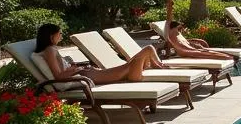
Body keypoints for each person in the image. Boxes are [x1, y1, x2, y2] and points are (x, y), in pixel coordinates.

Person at [34, 23, 164, 85]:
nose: (61, 36)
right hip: (89, 75)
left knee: (145, 52)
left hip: (89, 73)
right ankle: (159, 66)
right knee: (147, 49)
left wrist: (76, 67)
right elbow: (58, 76)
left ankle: (157, 66)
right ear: (51, 36)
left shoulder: (50, 50)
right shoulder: (50, 50)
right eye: (59, 33)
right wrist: (76, 69)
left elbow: (61, 71)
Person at [165, 20, 236, 61]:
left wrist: (193, 44)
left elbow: (185, 42)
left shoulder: (178, 33)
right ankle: (229, 58)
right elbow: (180, 45)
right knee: (208, 54)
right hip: (186, 52)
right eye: (179, 27)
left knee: (208, 51)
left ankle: (230, 57)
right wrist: (192, 48)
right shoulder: (172, 35)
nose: (181, 29)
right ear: (173, 27)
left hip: (190, 49)